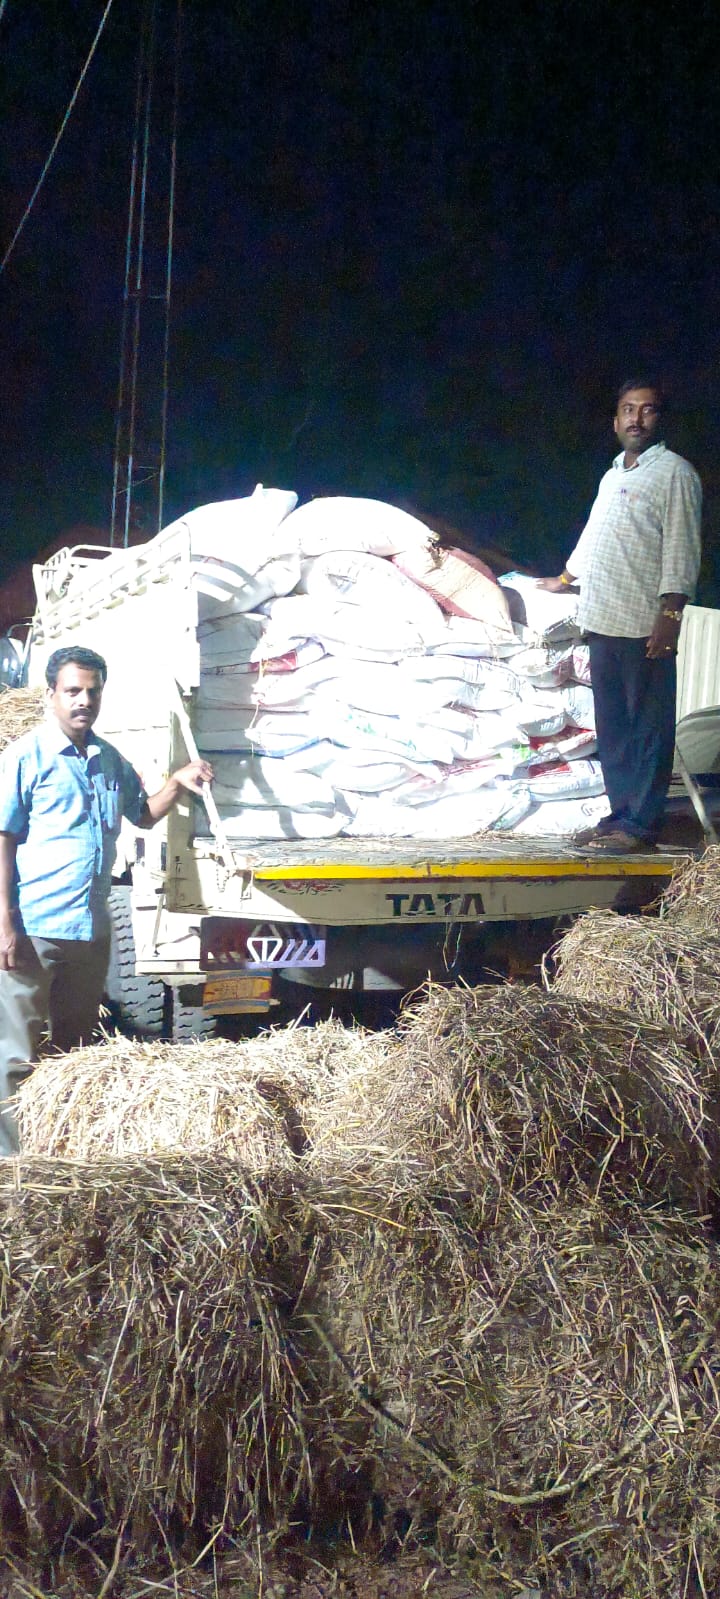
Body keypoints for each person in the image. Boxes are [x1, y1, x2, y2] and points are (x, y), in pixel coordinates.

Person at [0, 645, 214, 1155]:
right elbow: (2, 838)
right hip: (34, 928)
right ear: (51, 695)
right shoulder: (24, 757)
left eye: (92, 691)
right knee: (13, 1054)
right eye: (73, 691)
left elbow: (142, 814)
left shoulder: (108, 759)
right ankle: (9, 1167)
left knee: (74, 1053)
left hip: (89, 932)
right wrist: (5, 923)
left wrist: (178, 784)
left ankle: (60, 1155)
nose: (84, 701)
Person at [538, 379, 701, 854]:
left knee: (647, 726)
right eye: (627, 410)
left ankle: (641, 825)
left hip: (643, 624)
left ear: (659, 420)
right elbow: (594, 536)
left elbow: (681, 546)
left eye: (647, 411)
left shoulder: (675, 473)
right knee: (613, 728)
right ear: (614, 421)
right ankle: (618, 815)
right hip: (602, 619)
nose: (636, 419)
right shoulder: (613, 476)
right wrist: (565, 580)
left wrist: (670, 614)